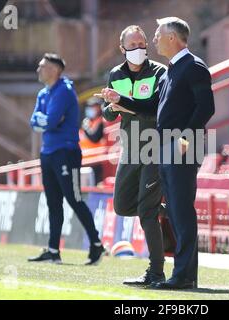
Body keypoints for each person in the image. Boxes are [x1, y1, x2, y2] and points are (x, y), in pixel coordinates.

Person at [98, 17, 215, 289]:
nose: (153, 40)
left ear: (172, 37)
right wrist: (120, 100)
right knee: (175, 210)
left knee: (181, 211)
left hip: (181, 145)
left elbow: (206, 107)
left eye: (157, 35)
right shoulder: (174, 69)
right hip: (165, 146)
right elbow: (151, 107)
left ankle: (183, 275)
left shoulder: (193, 67)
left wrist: (186, 136)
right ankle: (183, 274)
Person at [97, 25, 168, 286]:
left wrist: (123, 103)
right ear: (122, 48)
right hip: (130, 149)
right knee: (122, 205)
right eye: (133, 45)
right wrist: (109, 106)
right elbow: (110, 113)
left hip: (153, 148)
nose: (138, 49)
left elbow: (153, 111)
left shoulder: (160, 73)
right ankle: (169, 211)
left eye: (142, 44)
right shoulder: (116, 74)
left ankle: (156, 273)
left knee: (146, 213)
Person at [28, 53, 105, 265]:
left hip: (66, 152)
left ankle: (96, 244)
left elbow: (49, 122)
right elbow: (33, 121)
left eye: (42, 66)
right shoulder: (43, 94)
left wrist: (45, 121)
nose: (38, 69)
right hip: (48, 152)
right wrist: (46, 121)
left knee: (74, 198)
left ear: (54, 70)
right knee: (53, 202)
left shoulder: (64, 91)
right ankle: (53, 250)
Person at [79, 97, 106, 184]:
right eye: (90, 106)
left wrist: (86, 128)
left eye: (94, 106)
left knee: (94, 187)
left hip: (96, 161)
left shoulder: (101, 121)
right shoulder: (87, 122)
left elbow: (95, 138)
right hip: (84, 161)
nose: (91, 109)